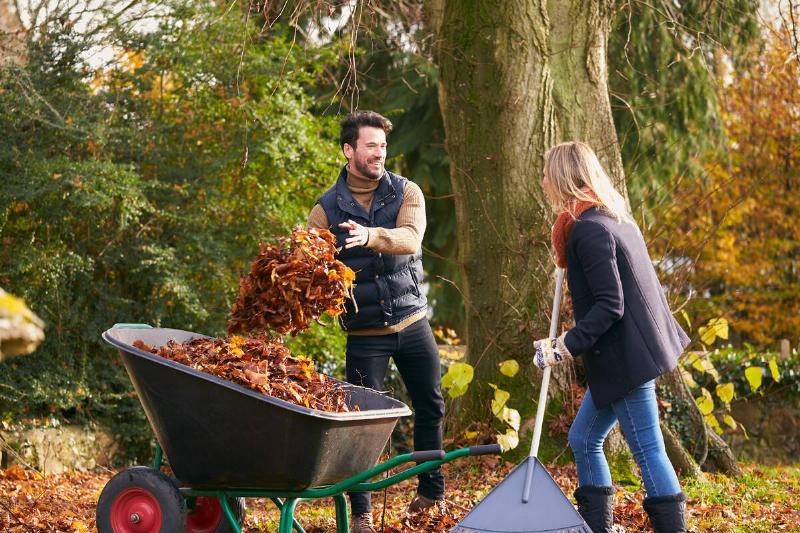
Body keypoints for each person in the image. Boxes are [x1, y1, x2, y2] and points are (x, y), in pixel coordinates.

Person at [532, 141, 689, 533]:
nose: (544, 181)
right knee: (583, 437)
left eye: (548, 173)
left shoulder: (590, 230)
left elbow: (609, 305)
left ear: (565, 178)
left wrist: (563, 346)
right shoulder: (614, 219)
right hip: (628, 354)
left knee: (649, 449)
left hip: (625, 359)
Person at [308, 110, 446, 533]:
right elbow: (309, 264)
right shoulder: (326, 209)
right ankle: (362, 512)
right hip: (364, 335)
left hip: (412, 322)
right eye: (370, 145)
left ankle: (431, 494)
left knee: (431, 406)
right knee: (360, 424)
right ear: (349, 150)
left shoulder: (407, 192)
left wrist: (369, 236)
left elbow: (410, 238)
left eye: (383, 145)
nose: (379, 153)